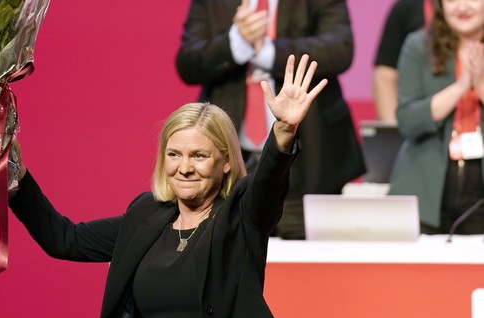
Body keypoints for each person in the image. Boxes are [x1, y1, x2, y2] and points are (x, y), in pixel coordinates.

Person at [8, 54, 327, 318]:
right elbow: (65, 239)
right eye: (175, 154)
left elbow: (269, 182)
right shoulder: (145, 215)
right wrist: (16, 174)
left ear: (226, 161)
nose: (184, 168)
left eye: (199, 156)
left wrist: (284, 131)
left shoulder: (241, 214)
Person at [175, 0, 366, 240]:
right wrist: (236, 41)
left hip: (306, 162)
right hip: (231, 166)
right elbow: (188, 62)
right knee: (229, 254)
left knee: (307, 268)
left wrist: (267, 52)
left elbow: (339, 48)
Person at [389, 0, 484, 234]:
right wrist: (461, 86)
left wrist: (480, 85)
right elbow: (408, 120)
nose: (462, 7)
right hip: (425, 187)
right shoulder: (418, 46)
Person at [373, 0, 432, 124]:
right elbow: (385, 76)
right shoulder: (407, 9)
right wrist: (395, 131)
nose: (462, 7)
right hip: (415, 120)